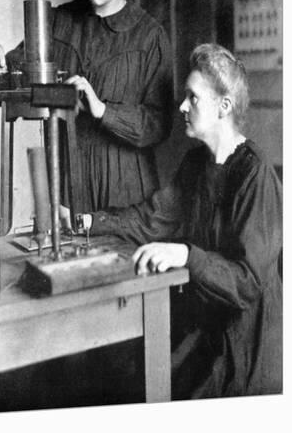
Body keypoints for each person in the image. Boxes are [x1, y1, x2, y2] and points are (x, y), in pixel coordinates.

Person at [86, 43, 282, 399]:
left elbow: (248, 282)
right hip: (208, 331)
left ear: (224, 107)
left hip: (249, 347)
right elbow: (149, 221)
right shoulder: (195, 164)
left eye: (193, 98)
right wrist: (87, 222)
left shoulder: (255, 172)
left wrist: (185, 255)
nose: (182, 107)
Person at [7, 0, 173, 212]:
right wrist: (60, 96)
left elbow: (159, 124)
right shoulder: (58, 21)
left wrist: (103, 110)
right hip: (70, 180)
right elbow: (17, 72)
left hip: (126, 185)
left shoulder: (149, 36)